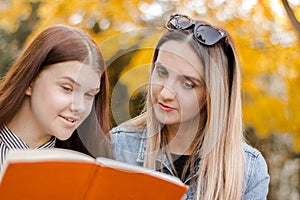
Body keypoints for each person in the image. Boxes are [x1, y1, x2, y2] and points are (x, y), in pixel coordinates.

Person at [110, 13, 270, 200]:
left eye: (187, 84)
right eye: (161, 72)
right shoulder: (118, 146)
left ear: (213, 95)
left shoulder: (249, 171)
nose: (165, 94)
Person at [0, 25, 111, 172]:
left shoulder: (83, 168)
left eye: (89, 95)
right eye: (67, 88)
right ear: (30, 80)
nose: (79, 107)